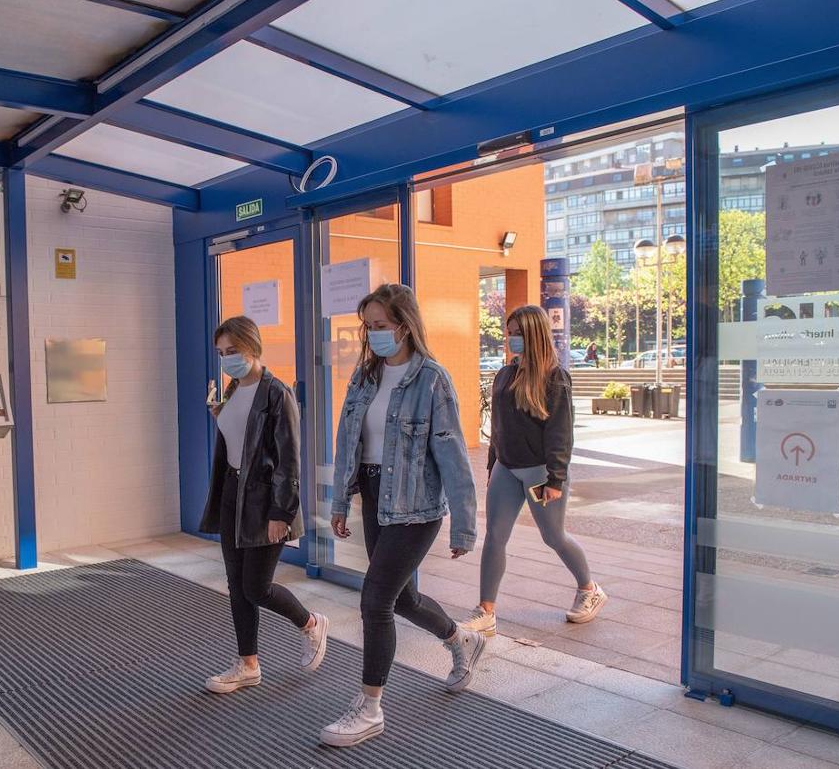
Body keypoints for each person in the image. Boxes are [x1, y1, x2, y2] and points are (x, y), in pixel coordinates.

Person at [320, 284, 484, 748]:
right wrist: (340, 502)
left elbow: (452, 456)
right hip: (375, 497)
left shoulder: (432, 379)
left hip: (416, 508)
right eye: (367, 326)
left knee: (375, 601)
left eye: (381, 326)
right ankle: (461, 641)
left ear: (405, 325)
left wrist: (464, 524)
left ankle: (370, 707)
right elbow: (347, 441)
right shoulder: (365, 376)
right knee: (403, 600)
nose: (373, 335)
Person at [200, 316, 329, 694]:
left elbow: (290, 458)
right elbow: (238, 445)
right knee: (237, 587)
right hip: (231, 495)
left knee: (257, 587)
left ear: (253, 348)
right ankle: (248, 664)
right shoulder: (232, 389)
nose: (227, 359)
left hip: (265, 500)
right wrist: (221, 418)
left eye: (233, 352)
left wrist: (282, 513)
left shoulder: (277, 394)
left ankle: (311, 624)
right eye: (222, 353)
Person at [463, 305, 606, 639]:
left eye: (517, 333)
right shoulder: (504, 374)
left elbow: (560, 433)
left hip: (541, 472)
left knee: (553, 536)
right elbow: (498, 427)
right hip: (506, 468)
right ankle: (486, 611)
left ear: (534, 335)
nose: (511, 339)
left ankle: (589, 588)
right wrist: (492, 466)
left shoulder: (555, 377)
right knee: (495, 536)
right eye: (509, 332)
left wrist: (555, 479)